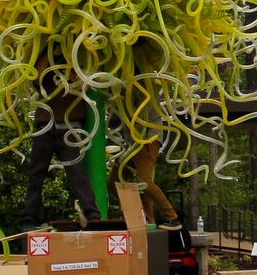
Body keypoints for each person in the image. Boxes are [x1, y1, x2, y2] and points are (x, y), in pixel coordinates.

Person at [22, 88, 101, 229]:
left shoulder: (77, 68)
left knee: (77, 173)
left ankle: (93, 216)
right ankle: (29, 219)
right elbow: (38, 79)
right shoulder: (42, 67)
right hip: (45, 125)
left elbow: (80, 80)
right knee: (36, 174)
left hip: (69, 125)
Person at [114, 136, 181, 229]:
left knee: (144, 181)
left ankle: (172, 217)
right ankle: (140, 215)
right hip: (131, 144)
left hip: (146, 139)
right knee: (114, 181)